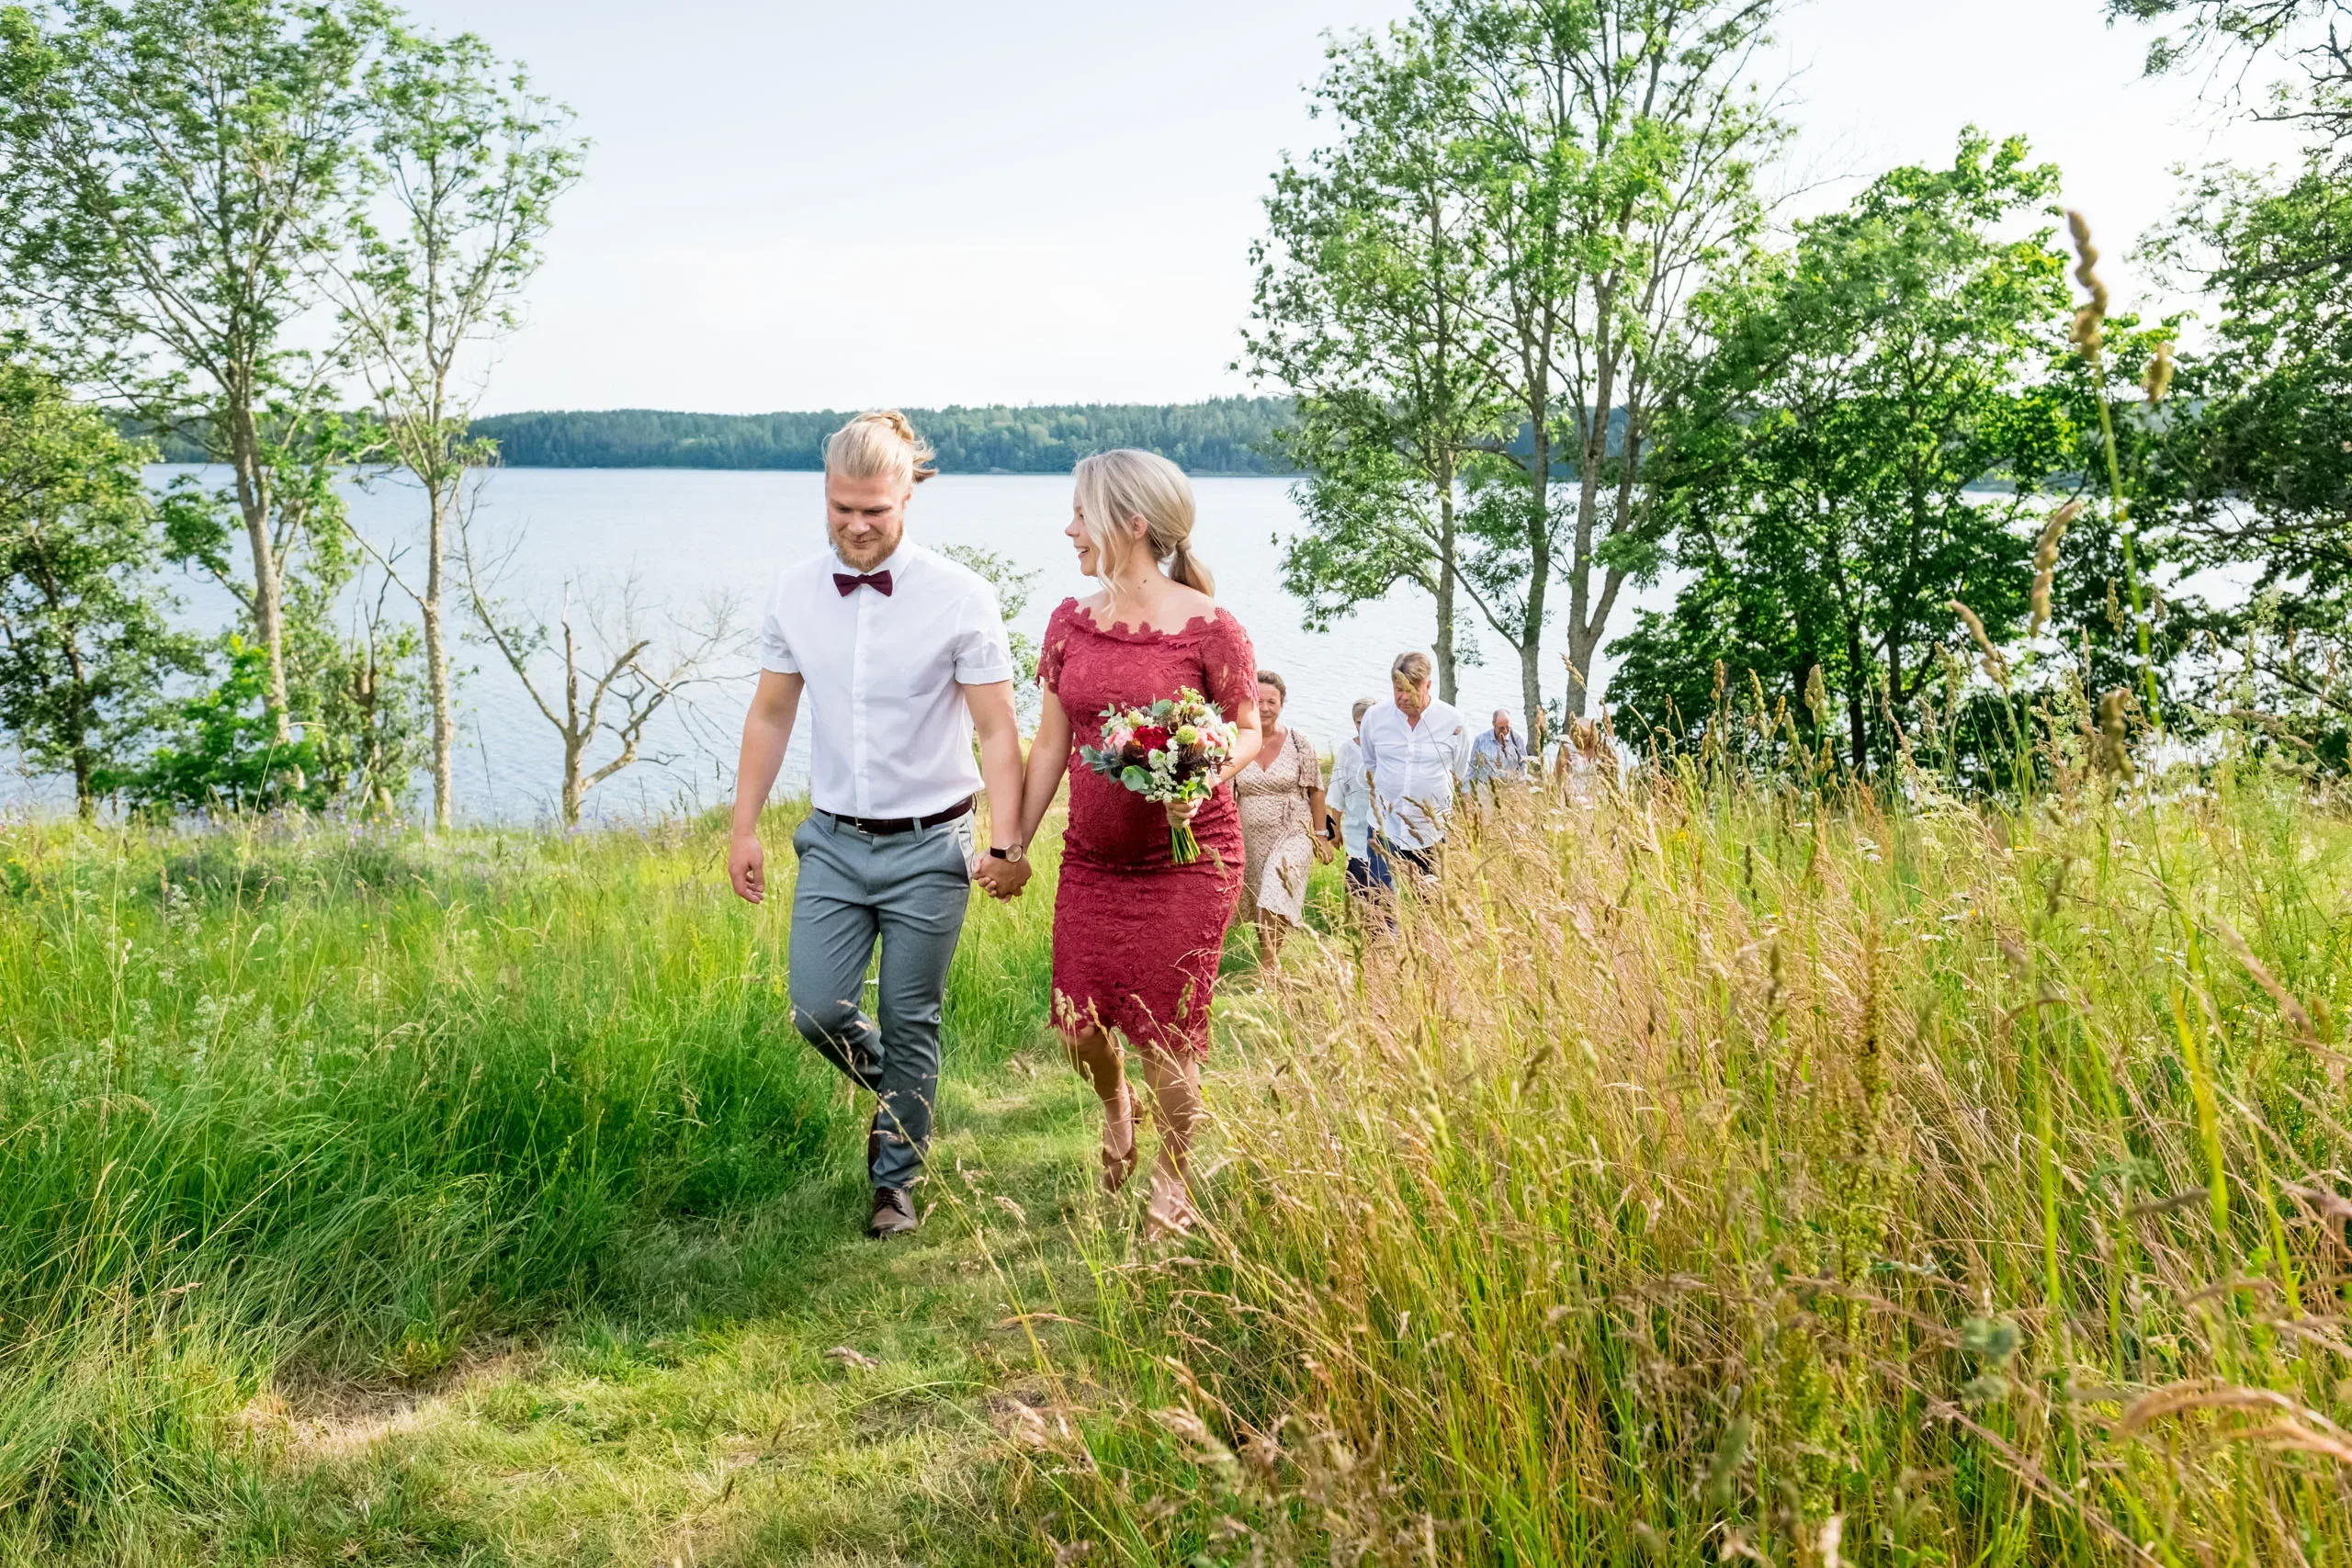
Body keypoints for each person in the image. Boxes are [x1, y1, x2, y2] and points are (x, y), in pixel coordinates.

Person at [728, 411, 1031, 1240]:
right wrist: (743, 826)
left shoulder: (963, 597)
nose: (857, 527)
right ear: (824, 498)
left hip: (932, 846)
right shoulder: (792, 591)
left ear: (908, 497)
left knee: (911, 1015)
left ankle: (895, 1180)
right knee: (815, 1007)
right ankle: (910, 1091)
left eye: (875, 511)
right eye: (841, 510)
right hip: (831, 841)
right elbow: (771, 713)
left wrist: (1008, 842)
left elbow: (999, 731)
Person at [1012, 448, 1263, 1239]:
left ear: (1131, 524)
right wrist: (1012, 840)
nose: (1068, 528)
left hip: (1191, 861)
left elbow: (1249, 728)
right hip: (1092, 861)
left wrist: (1204, 768)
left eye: (1080, 514)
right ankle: (1116, 1104)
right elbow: (1050, 744)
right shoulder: (1069, 623)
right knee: (1080, 1022)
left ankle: (1174, 1175)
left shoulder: (1213, 628)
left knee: (1169, 1027)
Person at [1233, 670, 1333, 971]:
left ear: (1282, 704)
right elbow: (1226, 793)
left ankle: (1268, 965)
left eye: (1271, 702)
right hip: (1250, 833)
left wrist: (1321, 835)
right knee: (1262, 898)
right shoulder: (1236, 742)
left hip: (1294, 830)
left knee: (1277, 886)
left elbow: (1316, 791)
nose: (1264, 708)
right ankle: (1270, 955)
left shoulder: (1300, 743)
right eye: (1258, 701)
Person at [1358, 650, 1471, 895]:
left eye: (1411, 689)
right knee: (1382, 904)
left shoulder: (1453, 721)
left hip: (1431, 832)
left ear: (1428, 685)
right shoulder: (1375, 718)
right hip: (1384, 827)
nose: (1403, 697)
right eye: (1398, 689)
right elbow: (1371, 763)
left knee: (1428, 908)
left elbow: (1459, 771)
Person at [1325, 697, 1376, 900]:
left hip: (1385, 836)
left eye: (1369, 722)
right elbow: (1336, 794)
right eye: (1359, 723)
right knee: (1360, 894)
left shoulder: (1388, 749)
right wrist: (1333, 831)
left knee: (1385, 896)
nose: (1364, 728)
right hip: (1356, 834)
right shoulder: (1348, 750)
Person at [1468, 708, 1529, 791]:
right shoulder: (1481, 740)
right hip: (1486, 788)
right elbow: (1472, 766)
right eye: (1501, 728)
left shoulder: (1517, 739)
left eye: (1508, 727)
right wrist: (1466, 790)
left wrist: (1522, 783)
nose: (1505, 731)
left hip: (1510, 789)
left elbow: (1523, 763)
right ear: (1494, 724)